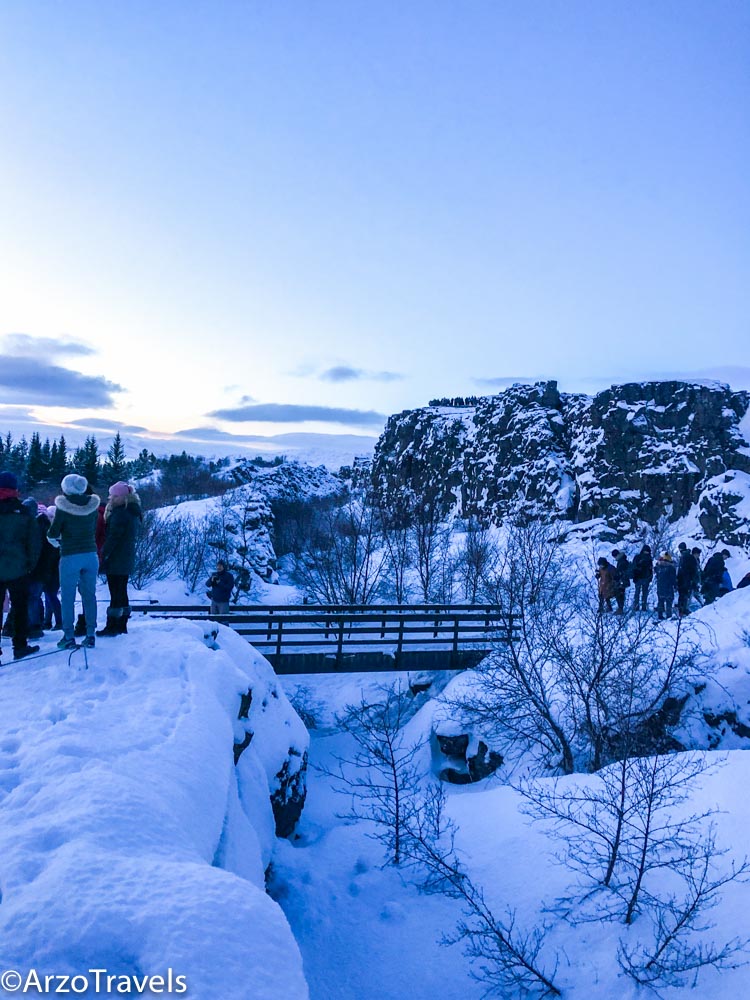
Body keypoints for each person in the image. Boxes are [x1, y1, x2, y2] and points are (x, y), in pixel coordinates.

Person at [47, 474, 100, 650]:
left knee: (68, 598)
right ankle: (90, 634)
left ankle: (69, 636)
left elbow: (53, 533)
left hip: (70, 555)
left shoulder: (63, 507)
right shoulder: (93, 506)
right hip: (91, 554)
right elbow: (93, 528)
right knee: (89, 595)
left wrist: (57, 541)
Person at [0, 471, 41, 660]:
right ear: (15, 489)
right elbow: (34, 542)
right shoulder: (23, 512)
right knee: (20, 607)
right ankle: (20, 646)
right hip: (19, 567)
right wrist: (29, 564)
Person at [96, 482, 143, 637]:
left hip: (117, 558)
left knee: (115, 591)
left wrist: (104, 553)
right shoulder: (132, 511)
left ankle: (112, 625)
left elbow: (113, 537)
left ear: (123, 497)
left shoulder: (120, 513)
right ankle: (122, 624)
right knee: (121, 591)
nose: (111, 499)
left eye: (114, 496)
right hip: (126, 557)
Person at [40, 505, 62, 631]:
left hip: (52, 568)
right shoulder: (55, 530)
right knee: (49, 595)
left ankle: (59, 621)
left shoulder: (51, 532)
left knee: (50, 595)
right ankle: (47, 621)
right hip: (53, 568)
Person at [676, 543, 701, 617]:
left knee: (683, 595)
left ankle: (682, 609)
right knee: (685, 595)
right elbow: (693, 571)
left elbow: (685, 570)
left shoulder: (684, 557)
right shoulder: (688, 557)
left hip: (684, 579)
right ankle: (683, 609)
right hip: (686, 580)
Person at [655, 552, 677, 621]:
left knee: (660, 601)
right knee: (669, 601)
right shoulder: (671, 568)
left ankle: (660, 615)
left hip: (660, 586)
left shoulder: (658, 567)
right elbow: (673, 579)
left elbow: (657, 577)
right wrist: (675, 585)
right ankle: (668, 615)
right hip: (668, 587)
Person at [631, 544, 653, 611]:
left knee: (643, 593)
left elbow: (650, 569)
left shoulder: (648, 558)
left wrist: (650, 577)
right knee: (639, 593)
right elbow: (634, 567)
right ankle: (638, 606)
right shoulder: (640, 557)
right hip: (640, 577)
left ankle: (641, 606)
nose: (646, 553)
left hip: (644, 578)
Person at [611, 549, 631, 614]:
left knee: (619, 594)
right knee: (620, 594)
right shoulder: (622, 560)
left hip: (622, 581)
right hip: (623, 580)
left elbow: (621, 572)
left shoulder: (622, 562)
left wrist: (617, 577)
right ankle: (620, 608)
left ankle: (620, 608)